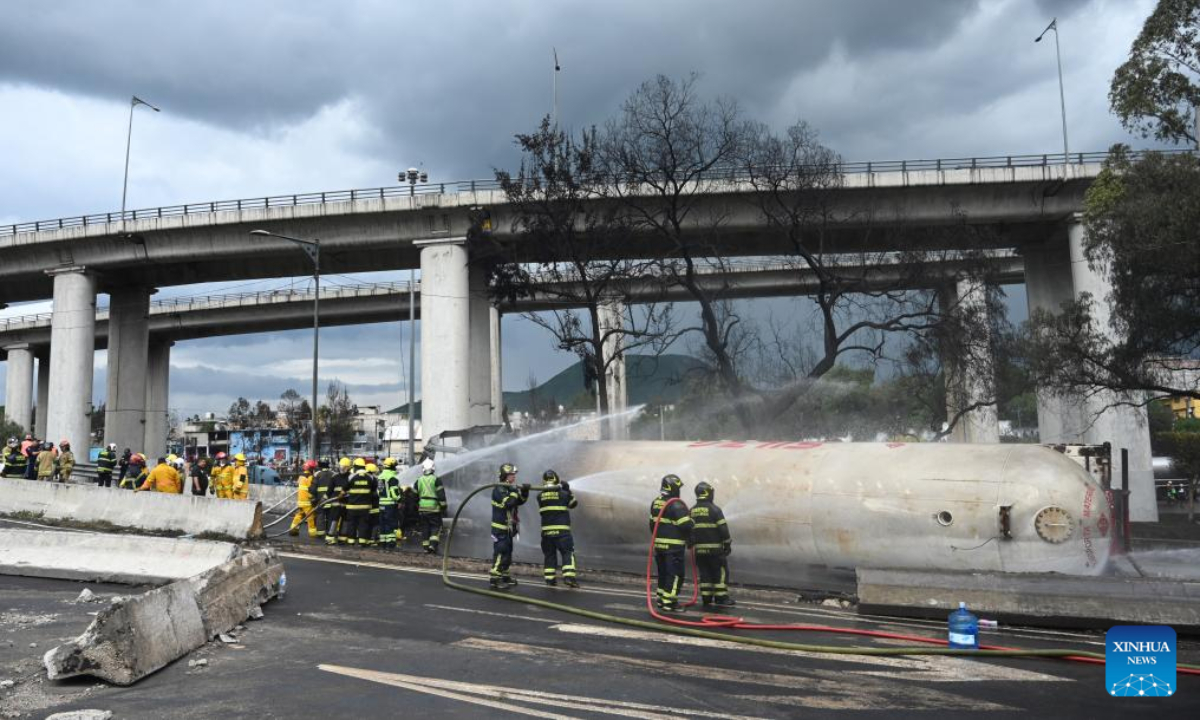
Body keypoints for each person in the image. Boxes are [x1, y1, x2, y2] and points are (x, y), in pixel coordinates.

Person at [649, 473, 693, 613]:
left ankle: (661, 599)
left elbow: (652, 524)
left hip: (659, 546)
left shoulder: (656, 502)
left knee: (663, 574)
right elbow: (686, 525)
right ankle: (669, 602)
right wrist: (692, 520)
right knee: (675, 575)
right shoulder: (676, 505)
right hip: (673, 548)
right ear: (672, 488)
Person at [689, 481, 735, 608]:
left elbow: (688, 530)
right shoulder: (715, 510)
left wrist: (690, 543)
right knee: (720, 573)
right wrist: (727, 544)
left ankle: (706, 598)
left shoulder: (692, 511)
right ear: (707, 493)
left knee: (705, 574)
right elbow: (723, 529)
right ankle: (721, 598)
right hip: (715, 551)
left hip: (699, 552)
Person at [490, 463, 529, 590]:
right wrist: (513, 491)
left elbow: (519, 501)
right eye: (512, 474)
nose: (514, 477)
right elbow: (509, 503)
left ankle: (505, 576)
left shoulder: (508, 489)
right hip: (499, 528)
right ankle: (494, 579)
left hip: (507, 528)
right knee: (500, 553)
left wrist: (525, 492)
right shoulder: (499, 489)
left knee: (508, 554)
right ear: (505, 476)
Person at [538, 469, 579, 588]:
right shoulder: (563, 494)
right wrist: (567, 490)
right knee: (567, 553)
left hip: (546, 533)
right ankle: (569, 578)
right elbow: (573, 504)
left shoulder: (539, 496)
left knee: (549, 555)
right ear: (556, 479)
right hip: (562, 533)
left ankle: (550, 579)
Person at [415, 458, 447, 554]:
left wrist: (416, 507)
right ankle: (432, 545)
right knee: (435, 527)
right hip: (434, 508)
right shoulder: (436, 479)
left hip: (422, 508)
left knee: (425, 528)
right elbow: (441, 495)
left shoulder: (418, 480)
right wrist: (444, 507)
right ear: (433, 468)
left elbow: (414, 495)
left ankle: (425, 548)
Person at [342, 458, 375, 545]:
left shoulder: (351, 476)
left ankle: (351, 541)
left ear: (355, 467)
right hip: (365, 507)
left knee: (352, 524)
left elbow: (344, 488)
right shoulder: (370, 477)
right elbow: (373, 490)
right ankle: (362, 541)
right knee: (363, 524)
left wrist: (341, 495)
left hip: (352, 507)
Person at [289, 460, 319, 537]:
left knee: (299, 515)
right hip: (307, 501)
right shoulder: (310, 477)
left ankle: (293, 530)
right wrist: (314, 498)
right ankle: (313, 534)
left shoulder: (301, 476)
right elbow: (312, 489)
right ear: (311, 468)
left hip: (300, 501)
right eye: (314, 468)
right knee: (310, 517)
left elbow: (299, 485)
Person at [326, 458, 352, 545]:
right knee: (334, 520)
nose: (342, 469)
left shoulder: (351, 477)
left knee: (345, 520)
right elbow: (329, 490)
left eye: (344, 467)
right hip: (336, 502)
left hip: (347, 503)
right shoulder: (335, 477)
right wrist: (324, 498)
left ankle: (342, 538)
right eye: (341, 466)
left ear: (348, 468)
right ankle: (330, 538)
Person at [377, 458, 402, 549]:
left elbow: (378, 491)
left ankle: (383, 542)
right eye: (395, 466)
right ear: (392, 466)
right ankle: (390, 542)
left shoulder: (380, 476)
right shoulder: (392, 477)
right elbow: (394, 492)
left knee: (382, 523)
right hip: (390, 504)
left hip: (381, 504)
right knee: (390, 523)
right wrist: (399, 500)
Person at [311, 459, 333, 540]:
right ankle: (330, 533)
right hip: (331, 500)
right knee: (330, 517)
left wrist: (312, 498)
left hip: (320, 500)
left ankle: (320, 533)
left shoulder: (317, 474)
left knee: (320, 516)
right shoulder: (333, 474)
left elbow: (313, 488)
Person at [365, 462, 382, 546]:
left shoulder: (364, 478)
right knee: (375, 523)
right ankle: (374, 538)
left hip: (366, 505)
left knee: (367, 522)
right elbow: (378, 492)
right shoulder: (375, 479)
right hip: (375, 505)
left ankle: (367, 539)